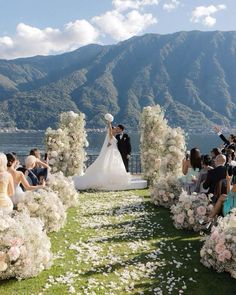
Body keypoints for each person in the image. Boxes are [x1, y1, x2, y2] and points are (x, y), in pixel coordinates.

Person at [73, 120, 131, 190]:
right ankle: (110, 179)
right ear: (111, 130)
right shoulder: (111, 135)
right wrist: (109, 123)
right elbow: (110, 134)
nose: (116, 130)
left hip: (115, 152)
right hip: (113, 152)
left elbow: (113, 143)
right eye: (115, 129)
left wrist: (110, 144)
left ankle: (114, 178)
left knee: (113, 165)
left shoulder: (116, 136)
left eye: (117, 129)